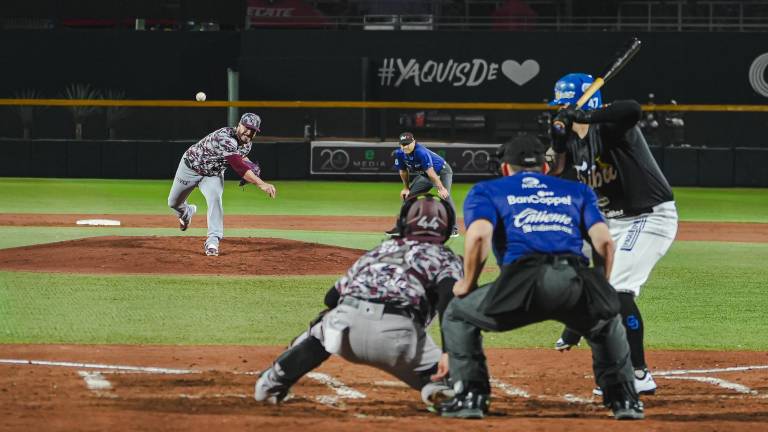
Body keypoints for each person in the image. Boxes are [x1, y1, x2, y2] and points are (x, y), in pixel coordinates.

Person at [435, 134, 643, 420]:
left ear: (506, 168)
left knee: (458, 314)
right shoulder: (577, 191)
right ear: (545, 168)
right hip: (573, 279)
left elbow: (480, 236)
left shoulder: (487, 191)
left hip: (520, 283)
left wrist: (468, 284)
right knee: (606, 321)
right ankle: (625, 400)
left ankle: (471, 396)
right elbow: (605, 242)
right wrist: (600, 287)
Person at [255, 195, 462, 411]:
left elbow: (331, 299)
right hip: (399, 338)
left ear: (403, 222)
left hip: (344, 331)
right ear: (446, 230)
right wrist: (449, 352)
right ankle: (436, 388)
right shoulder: (447, 258)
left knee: (324, 324)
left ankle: (272, 381)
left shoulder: (380, 251)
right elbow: (450, 306)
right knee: (452, 379)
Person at [547, 73, 677, 396]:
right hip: (613, 223)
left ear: (583, 104)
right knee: (602, 289)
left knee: (619, 291)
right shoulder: (577, 145)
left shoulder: (611, 127)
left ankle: (638, 373)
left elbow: (632, 109)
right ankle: (609, 368)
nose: (557, 111)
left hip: (648, 217)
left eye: (562, 105)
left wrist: (583, 115)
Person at [167, 113, 277, 256]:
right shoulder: (225, 137)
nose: (249, 132)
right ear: (239, 125)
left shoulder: (247, 143)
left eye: (253, 130)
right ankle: (186, 212)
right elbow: (238, 166)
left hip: (212, 175)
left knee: (215, 200)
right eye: (247, 127)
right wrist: (261, 183)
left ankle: (213, 241)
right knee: (173, 203)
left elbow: (241, 156)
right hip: (190, 167)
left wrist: (249, 164)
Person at [386, 132, 459, 238]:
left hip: (441, 172)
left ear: (414, 142)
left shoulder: (421, 152)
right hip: (426, 175)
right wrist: (406, 188)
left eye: (407, 143)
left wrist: (441, 188)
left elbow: (431, 173)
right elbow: (403, 171)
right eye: (403, 144)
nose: (405, 146)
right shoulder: (399, 153)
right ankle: (401, 227)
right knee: (408, 196)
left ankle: (453, 229)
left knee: (445, 197)